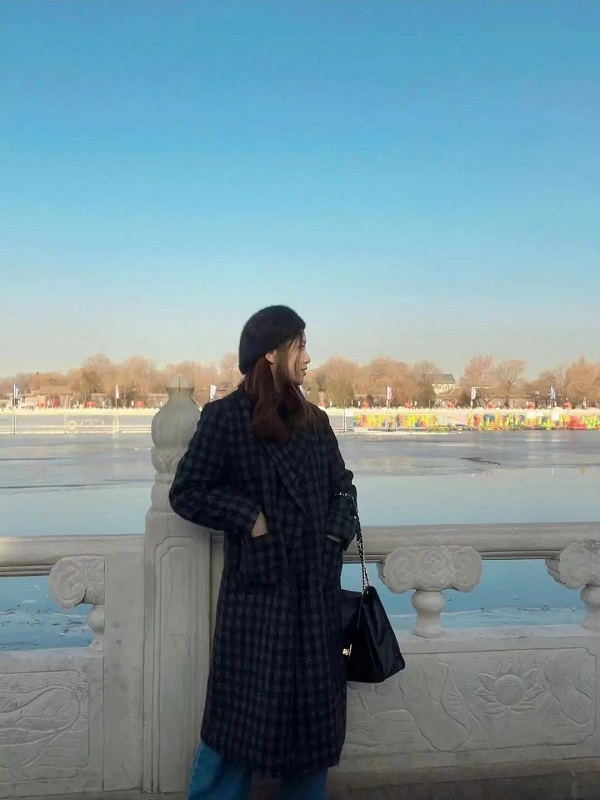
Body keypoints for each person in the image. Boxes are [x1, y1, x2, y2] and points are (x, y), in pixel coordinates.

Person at [169, 305, 358, 800]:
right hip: (259, 596)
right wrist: (249, 517)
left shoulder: (315, 421)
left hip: (315, 595)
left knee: (313, 729)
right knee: (236, 724)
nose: (308, 358)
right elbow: (187, 491)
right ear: (272, 353)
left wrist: (334, 536)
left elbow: (343, 486)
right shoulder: (225, 418)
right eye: (300, 345)